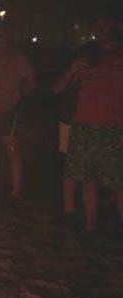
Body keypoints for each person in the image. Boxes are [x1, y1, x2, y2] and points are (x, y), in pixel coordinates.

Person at [54, 10, 123, 232]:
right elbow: (58, 88)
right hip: (84, 124)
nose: (101, 28)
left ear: (116, 25)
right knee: (87, 178)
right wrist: (73, 71)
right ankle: (90, 224)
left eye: (106, 23)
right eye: (98, 24)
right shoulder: (86, 54)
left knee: (117, 180)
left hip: (114, 126)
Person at [0, 22, 36, 199]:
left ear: (10, 37)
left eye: (4, 35)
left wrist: (20, 95)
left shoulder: (19, 59)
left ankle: (16, 188)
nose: (1, 39)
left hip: (10, 109)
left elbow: (31, 83)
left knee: (12, 150)